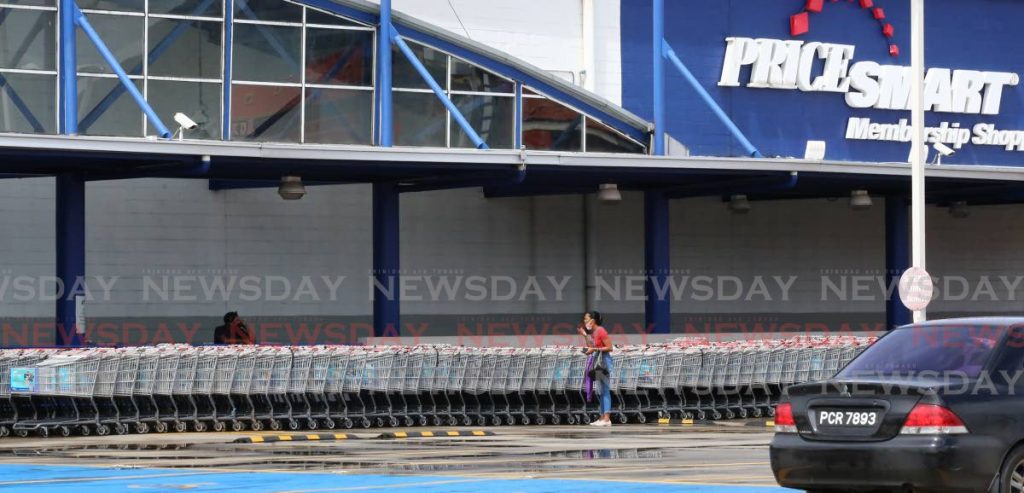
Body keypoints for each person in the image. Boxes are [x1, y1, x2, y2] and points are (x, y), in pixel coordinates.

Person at [579, 310, 614, 426]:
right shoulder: (594, 332)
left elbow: (609, 347)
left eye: (586, 319)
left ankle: (607, 418)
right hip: (598, 363)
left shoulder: (601, 331)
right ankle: (602, 417)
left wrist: (595, 350)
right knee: (601, 390)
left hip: (604, 363)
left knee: (605, 390)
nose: (585, 321)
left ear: (592, 321)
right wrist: (585, 336)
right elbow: (591, 347)